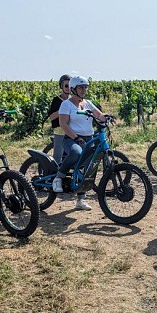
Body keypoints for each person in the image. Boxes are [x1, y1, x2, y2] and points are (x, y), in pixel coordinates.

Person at [51, 75, 107, 211]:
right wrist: (76, 138)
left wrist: (107, 117)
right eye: (80, 87)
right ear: (73, 89)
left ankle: (81, 201)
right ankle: (59, 177)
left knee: (86, 168)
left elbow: (99, 115)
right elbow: (63, 124)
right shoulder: (66, 104)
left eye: (85, 87)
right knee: (76, 152)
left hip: (89, 138)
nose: (84, 90)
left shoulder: (87, 103)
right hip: (71, 138)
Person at [48, 74, 72, 162]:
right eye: (66, 86)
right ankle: (54, 174)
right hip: (60, 131)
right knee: (58, 156)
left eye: (70, 85)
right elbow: (51, 116)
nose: (68, 88)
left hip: (71, 131)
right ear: (61, 86)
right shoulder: (56, 100)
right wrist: (62, 111)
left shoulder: (73, 100)